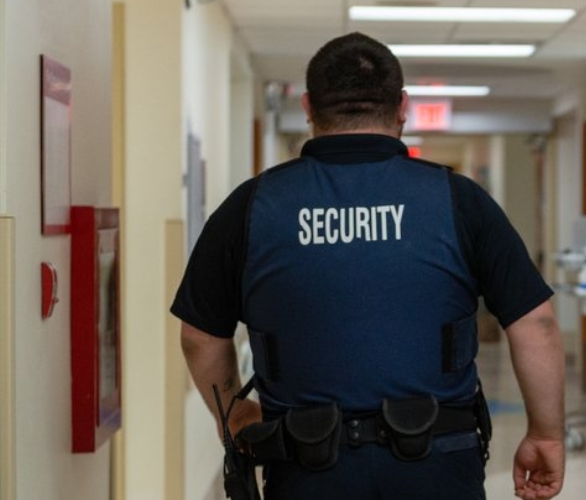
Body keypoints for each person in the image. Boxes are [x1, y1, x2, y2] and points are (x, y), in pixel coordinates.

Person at [172, 32, 565, 500]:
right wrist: (546, 434)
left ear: (308, 107)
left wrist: (236, 415)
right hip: (438, 468)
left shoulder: (252, 206)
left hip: (306, 470)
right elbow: (536, 324)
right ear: (403, 106)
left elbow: (199, 337)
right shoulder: (458, 200)